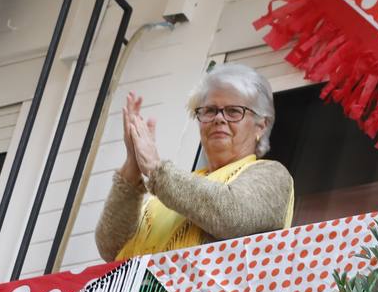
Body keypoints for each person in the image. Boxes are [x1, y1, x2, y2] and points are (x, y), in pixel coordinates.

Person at [95, 63, 294, 261]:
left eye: (233, 111)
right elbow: (111, 248)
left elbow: (232, 217)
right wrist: (132, 164)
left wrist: (156, 169)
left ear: (261, 125)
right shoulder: (170, 191)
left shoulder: (273, 174)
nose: (219, 118)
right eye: (209, 110)